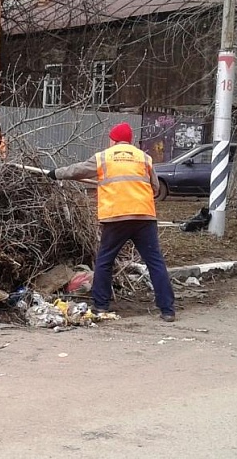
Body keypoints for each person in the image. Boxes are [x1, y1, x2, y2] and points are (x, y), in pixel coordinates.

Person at [47, 122, 176, 322]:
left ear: (113, 139)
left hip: (116, 217)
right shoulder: (144, 158)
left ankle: (100, 306)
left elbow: (77, 170)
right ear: (130, 140)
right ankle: (167, 309)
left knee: (105, 261)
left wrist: (55, 173)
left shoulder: (104, 157)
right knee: (155, 262)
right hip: (144, 217)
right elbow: (156, 188)